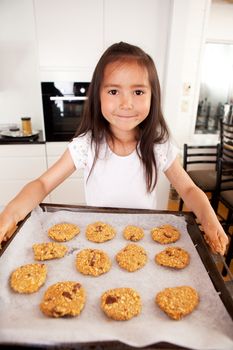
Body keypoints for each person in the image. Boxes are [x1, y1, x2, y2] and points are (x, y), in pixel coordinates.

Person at [0, 42, 228, 255]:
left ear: (153, 96)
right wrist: (11, 212)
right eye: (113, 91)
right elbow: (42, 184)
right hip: (96, 242)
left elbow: (188, 189)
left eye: (138, 92)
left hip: (143, 244)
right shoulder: (86, 145)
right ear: (97, 96)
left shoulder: (158, 146)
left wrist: (209, 218)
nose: (126, 104)